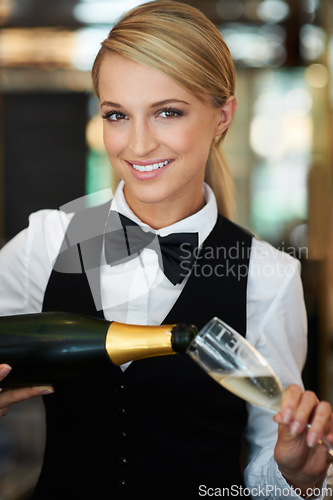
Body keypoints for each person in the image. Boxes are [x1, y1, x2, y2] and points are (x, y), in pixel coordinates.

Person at [0, 1, 332, 498]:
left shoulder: (268, 275)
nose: (137, 145)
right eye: (117, 114)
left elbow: (267, 475)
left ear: (223, 116)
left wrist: (298, 477)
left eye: (167, 112)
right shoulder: (48, 241)